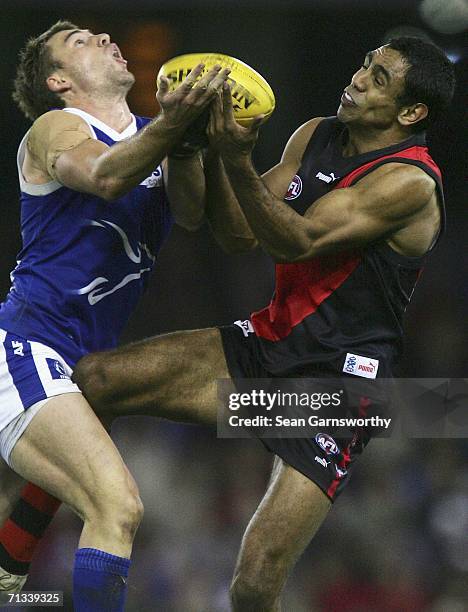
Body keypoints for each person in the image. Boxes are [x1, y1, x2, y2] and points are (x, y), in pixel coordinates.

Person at [2, 35, 456, 610]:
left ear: (411, 113)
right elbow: (240, 232)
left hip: (331, 391)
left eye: (381, 80)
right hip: (266, 349)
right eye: (367, 64)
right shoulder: (316, 134)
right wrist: (202, 149)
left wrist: (236, 158)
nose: (360, 78)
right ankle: (8, 570)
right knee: (93, 381)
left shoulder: (409, 183)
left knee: (253, 582)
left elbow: (297, 240)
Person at [0, 20, 230, 609]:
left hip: (78, 364)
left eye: (99, 33)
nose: (101, 37)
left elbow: (192, 211)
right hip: (25, 345)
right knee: (117, 504)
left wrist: (190, 139)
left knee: (85, 497)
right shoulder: (57, 127)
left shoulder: (156, 135)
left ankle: (6, 569)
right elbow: (103, 176)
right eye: (79, 40)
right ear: (58, 80)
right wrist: (175, 126)